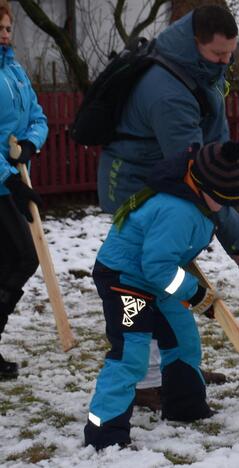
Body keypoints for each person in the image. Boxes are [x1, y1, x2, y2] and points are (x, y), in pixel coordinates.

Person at [94, 5, 239, 408]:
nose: (225, 62)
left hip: (172, 186)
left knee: (164, 285)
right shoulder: (167, 91)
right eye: (218, 55)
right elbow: (200, 173)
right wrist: (235, 237)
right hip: (140, 189)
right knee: (148, 284)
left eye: (230, 53)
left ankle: (178, 369)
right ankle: (145, 380)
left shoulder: (200, 67)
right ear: (195, 42)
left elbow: (215, 148)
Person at [84, 141, 239, 450]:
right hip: (125, 279)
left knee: (183, 338)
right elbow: (156, 267)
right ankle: (104, 433)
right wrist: (195, 294)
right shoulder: (178, 210)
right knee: (131, 354)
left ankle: (185, 407)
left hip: (155, 278)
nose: (221, 206)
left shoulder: (197, 202)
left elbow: (166, 264)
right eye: (219, 199)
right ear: (200, 185)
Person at [0, 0, 48, 380]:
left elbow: (38, 116)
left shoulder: (14, 70)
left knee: (9, 263)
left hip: (14, 180)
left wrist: (31, 144)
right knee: (24, 258)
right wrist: (8, 177)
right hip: (3, 184)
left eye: (7, 29)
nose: (4, 35)